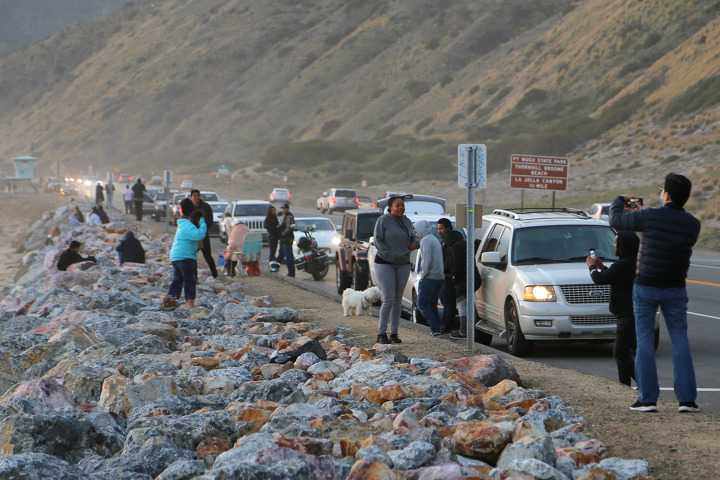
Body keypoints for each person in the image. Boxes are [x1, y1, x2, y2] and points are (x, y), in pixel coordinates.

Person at [610, 173, 702, 413]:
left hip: (647, 287)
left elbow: (617, 220)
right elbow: (667, 230)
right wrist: (646, 214)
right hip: (676, 288)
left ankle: (648, 399)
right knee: (680, 340)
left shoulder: (650, 216)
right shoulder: (693, 224)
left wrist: (620, 199)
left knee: (644, 342)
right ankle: (687, 400)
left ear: (667, 194)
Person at [587, 232, 641, 386]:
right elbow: (612, 277)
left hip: (627, 316)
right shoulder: (632, 263)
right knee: (624, 354)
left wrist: (591, 266)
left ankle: (645, 386)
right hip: (631, 315)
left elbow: (598, 279)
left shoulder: (623, 264)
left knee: (620, 353)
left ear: (624, 245)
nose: (614, 245)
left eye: (617, 242)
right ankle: (624, 386)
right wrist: (601, 267)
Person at [372, 196, 419, 344]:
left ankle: (394, 333)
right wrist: (390, 253)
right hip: (385, 263)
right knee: (389, 298)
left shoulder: (406, 221)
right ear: (390, 207)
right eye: (397, 205)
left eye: (402, 205)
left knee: (398, 300)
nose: (401, 208)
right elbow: (377, 241)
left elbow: (414, 237)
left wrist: (414, 244)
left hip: (403, 263)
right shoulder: (383, 221)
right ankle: (381, 334)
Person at [167, 198, 207, 309]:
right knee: (190, 279)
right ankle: (190, 303)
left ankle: (171, 299)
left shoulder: (182, 225)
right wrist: (203, 223)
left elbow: (199, 244)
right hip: (185, 257)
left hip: (177, 256)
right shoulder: (187, 225)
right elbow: (200, 235)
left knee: (178, 279)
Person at [413, 220, 445, 336]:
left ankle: (435, 328)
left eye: (416, 231)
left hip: (429, 277)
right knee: (432, 304)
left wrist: (423, 274)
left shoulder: (425, 241)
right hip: (439, 278)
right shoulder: (434, 239)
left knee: (422, 304)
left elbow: (426, 260)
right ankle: (437, 328)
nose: (416, 234)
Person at [190, 189, 218, 278]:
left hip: (203, 235)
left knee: (208, 256)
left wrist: (204, 229)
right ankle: (194, 276)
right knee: (192, 256)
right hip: (193, 236)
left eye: (198, 196)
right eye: (194, 196)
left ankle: (215, 275)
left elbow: (210, 220)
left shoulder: (205, 206)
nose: (196, 198)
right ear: (191, 197)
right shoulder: (189, 207)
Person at [437, 217, 456, 334]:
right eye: (438, 229)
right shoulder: (443, 242)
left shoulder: (450, 243)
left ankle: (447, 326)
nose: (439, 231)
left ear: (448, 228)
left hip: (449, 276)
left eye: (441, 229)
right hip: (444, 276)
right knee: (445, 301)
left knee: (449, 302)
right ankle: (445, 324)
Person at [277, 203, 296, 277]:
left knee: (288, 257)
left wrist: (282, 234)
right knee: (280, 256)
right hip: (283, 240)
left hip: (287, 239)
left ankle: (291, 272)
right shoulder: (285, 216)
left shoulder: (289, 217)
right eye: (283, 209)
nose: (283, 210)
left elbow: (289, 228)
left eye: (285, 209)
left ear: (288, 209)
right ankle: (274, 268)